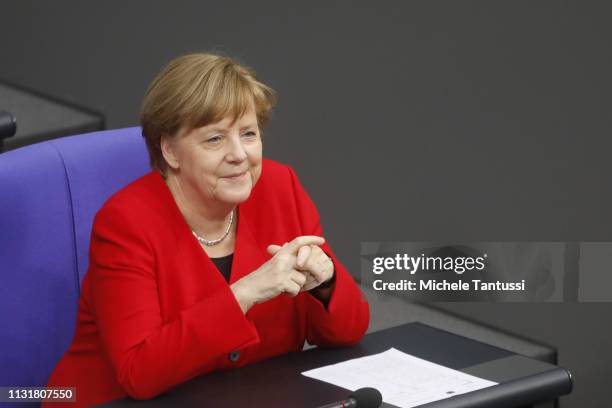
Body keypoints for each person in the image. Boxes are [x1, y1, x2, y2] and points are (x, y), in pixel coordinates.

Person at [44, 53, 369, 407]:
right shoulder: (125, 223)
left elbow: (350, 331)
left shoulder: (280, 188)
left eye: (248, 134)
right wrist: (244, 294)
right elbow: (138, 373)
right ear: (170, 150)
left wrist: (326, 282)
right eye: (215, 139)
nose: (239, 154)